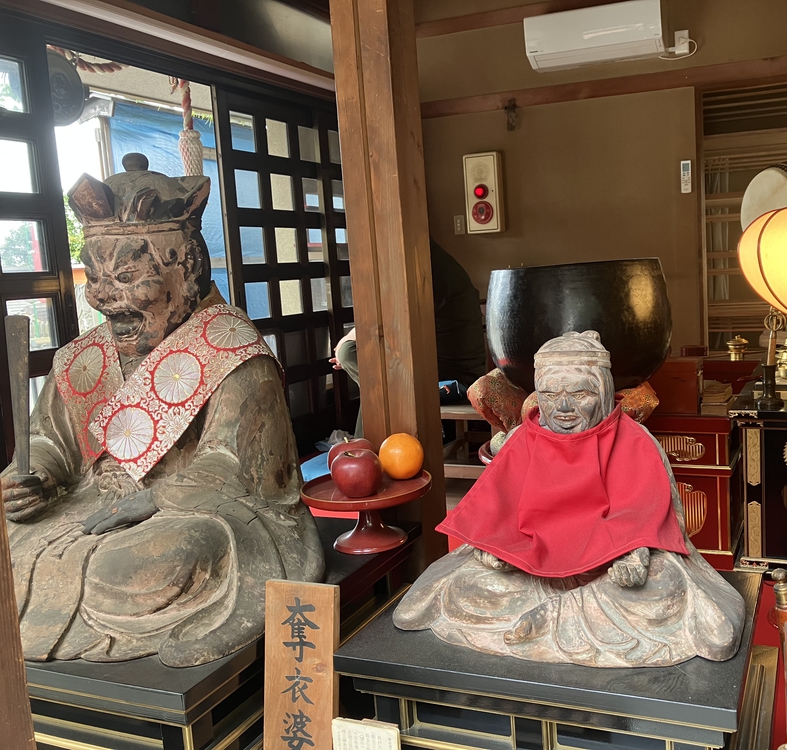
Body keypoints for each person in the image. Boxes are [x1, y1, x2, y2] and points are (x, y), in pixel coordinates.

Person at [0, 158, 324, 667]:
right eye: (98, 277)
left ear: (185, 270)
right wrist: (35, 475)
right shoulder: (83, 358)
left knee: (176, 552)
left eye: (129, 277)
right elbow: (52, 443)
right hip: (84, 508)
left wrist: (161, 499)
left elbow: (240, 471)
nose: (108, 297)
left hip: (178, 514)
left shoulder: (232, 350)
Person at [394, 331, 745, 667]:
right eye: (549, 393)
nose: (562, 407)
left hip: (608, 564)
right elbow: (496, 508)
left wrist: (635, 550)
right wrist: (494, 546)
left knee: (664, 582)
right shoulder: (523, 439)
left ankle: (554, 614)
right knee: (468, 584)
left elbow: (656, 513)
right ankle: (566, 615)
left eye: (579, 394)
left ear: (604, 393)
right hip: (531, 562)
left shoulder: (634, 439)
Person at [331, 239, 486, 437]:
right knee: (372, 372)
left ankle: (372, 448)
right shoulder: (428, 258)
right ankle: (373, 449)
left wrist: (348, 340)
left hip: (451, 379)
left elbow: (387, 324)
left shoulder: (422, 267)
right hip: (443, 367)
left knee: (367, 370)